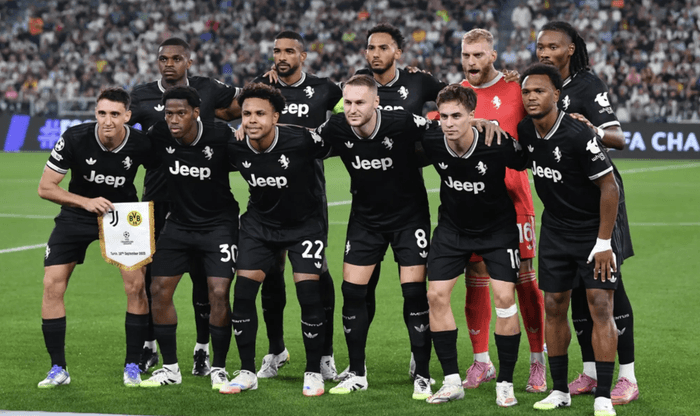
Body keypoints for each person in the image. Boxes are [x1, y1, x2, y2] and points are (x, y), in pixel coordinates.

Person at [536, 21, 638, 405]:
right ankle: (592, 373)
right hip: (565, 204)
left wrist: (590, 128)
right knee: (575, 290)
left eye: (553, 47)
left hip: (600, 199)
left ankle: (627, 377)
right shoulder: (541, 84)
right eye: (540, 47)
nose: (545, 53)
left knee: (608, 288)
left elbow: (619, 138)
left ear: (570, 49)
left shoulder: (587, 86)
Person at [315, 74, 433, 399]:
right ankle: (357, 373)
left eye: (360, 102)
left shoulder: (402, 122)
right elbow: (305, 141)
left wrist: (477, 123)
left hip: (409, 219)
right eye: (348, 102)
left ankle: (423, 374)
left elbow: (442, 132)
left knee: (414, 294)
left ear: (376, 102)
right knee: (352, 292)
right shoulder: (337, 127)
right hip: (365, 221)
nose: (352, 109)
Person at [129, 37, 240, 377]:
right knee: (153, 281)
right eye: (164, 58)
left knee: (205, 283)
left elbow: (242, 105)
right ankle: (151, 348)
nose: (169, 64)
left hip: (205, 205)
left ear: (188, 62)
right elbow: (129, 141)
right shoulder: (142, 97)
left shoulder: (209, 91)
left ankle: (204, 351)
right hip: (158, 200)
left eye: (176, 58)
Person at [518, 63, 620, 416]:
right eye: (526, 92)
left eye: (539, 91)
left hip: (592, 233)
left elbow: (610, 187)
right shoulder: (525, 131)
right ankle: (559, 390)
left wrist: (604, 243)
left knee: (600, 306)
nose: (532, 97)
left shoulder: (578, 134)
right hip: (555, 232)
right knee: (554, 305)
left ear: (557, 95)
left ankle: (603, 396)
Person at [219, 83, 331, 396]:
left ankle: (314, 371)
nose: (252, 120)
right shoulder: (235, 146)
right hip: (259, 225)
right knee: (242, 295)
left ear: (276, 117)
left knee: (308, 295)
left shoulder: (302, 140)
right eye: (246, 114)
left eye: (260, 113)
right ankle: (246, 372)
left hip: (304, 226)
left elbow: (340, 141)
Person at [37, 87, 154, 387]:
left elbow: (164, 175)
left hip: (123, 215)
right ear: (95, 113)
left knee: (136, 287)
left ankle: (132, 365)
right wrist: (85, 202)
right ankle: (58, 368)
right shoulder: (75, 138)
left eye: (115, 114)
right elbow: (46, 187)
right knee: (51, 284)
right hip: (77, 213)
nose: (107, 120)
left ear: (127, 116)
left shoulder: (141, 143)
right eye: (102, 113)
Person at [423, 84, 528, 406]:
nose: (449, 123)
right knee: (435, 295)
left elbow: (525, 160)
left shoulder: (495, 142)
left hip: (497, 231)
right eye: (444, 116)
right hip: (452, 229)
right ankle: (452, 381)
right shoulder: (431, 139)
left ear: (472, 115)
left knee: (505, 298)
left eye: (457, 116)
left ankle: (505, 383)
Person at [247, 31, 343, 382]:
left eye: (289, 51)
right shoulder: (262, 87)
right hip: (267, 198)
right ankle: (276, 350)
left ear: (303, 55)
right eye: (277, 51)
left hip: (309, 197)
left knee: (317, 275)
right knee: (271, 275)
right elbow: (240, 116)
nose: (281, 56)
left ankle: (325, 355)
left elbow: (350, 112)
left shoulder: (325, 89)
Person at [457, 28, 546, 393]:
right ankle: (482, 361)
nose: (471, 61)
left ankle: (537, 362)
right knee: (475, 276)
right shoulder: (458, 94)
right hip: (473, 203)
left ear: (493, 56)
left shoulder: (515, 88)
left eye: (479, 54)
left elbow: (542, 121)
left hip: (515, 200)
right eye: (466, 55)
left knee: (524, 278)